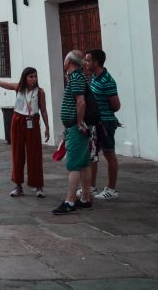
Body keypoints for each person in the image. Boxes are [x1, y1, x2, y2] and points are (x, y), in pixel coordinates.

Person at [0, 61, 50, 198]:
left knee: (34, 153)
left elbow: (44, 111)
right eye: (31, 76)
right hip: (18, 121)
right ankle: (18, 185)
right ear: (25, 78)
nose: (34, 79)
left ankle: (38, 185)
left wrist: (47, 127)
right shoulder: (18, 88)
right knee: (17, 153)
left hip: (32, 122)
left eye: (35, 76)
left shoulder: (40, 92)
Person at [52, 49, 94, 215]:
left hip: (77, 128)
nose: (63, 62)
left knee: (74, 165)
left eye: (64, 60)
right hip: (77, 127)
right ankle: (85, 197)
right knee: (84, 163)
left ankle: (70, 201)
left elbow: (81, 102)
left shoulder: (76, 77)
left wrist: (79, 123)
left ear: (69, 62)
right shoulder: (78, 77)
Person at [87, 49, 121, 200]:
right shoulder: (94, 77)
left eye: (88, 60)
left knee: (109, 153)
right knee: (93, 155)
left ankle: (112, 189)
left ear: (96, 62)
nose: (86, 63)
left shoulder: (107, 80)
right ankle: (91, 187)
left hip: (106, 122)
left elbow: (116, 105)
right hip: (96, 122)